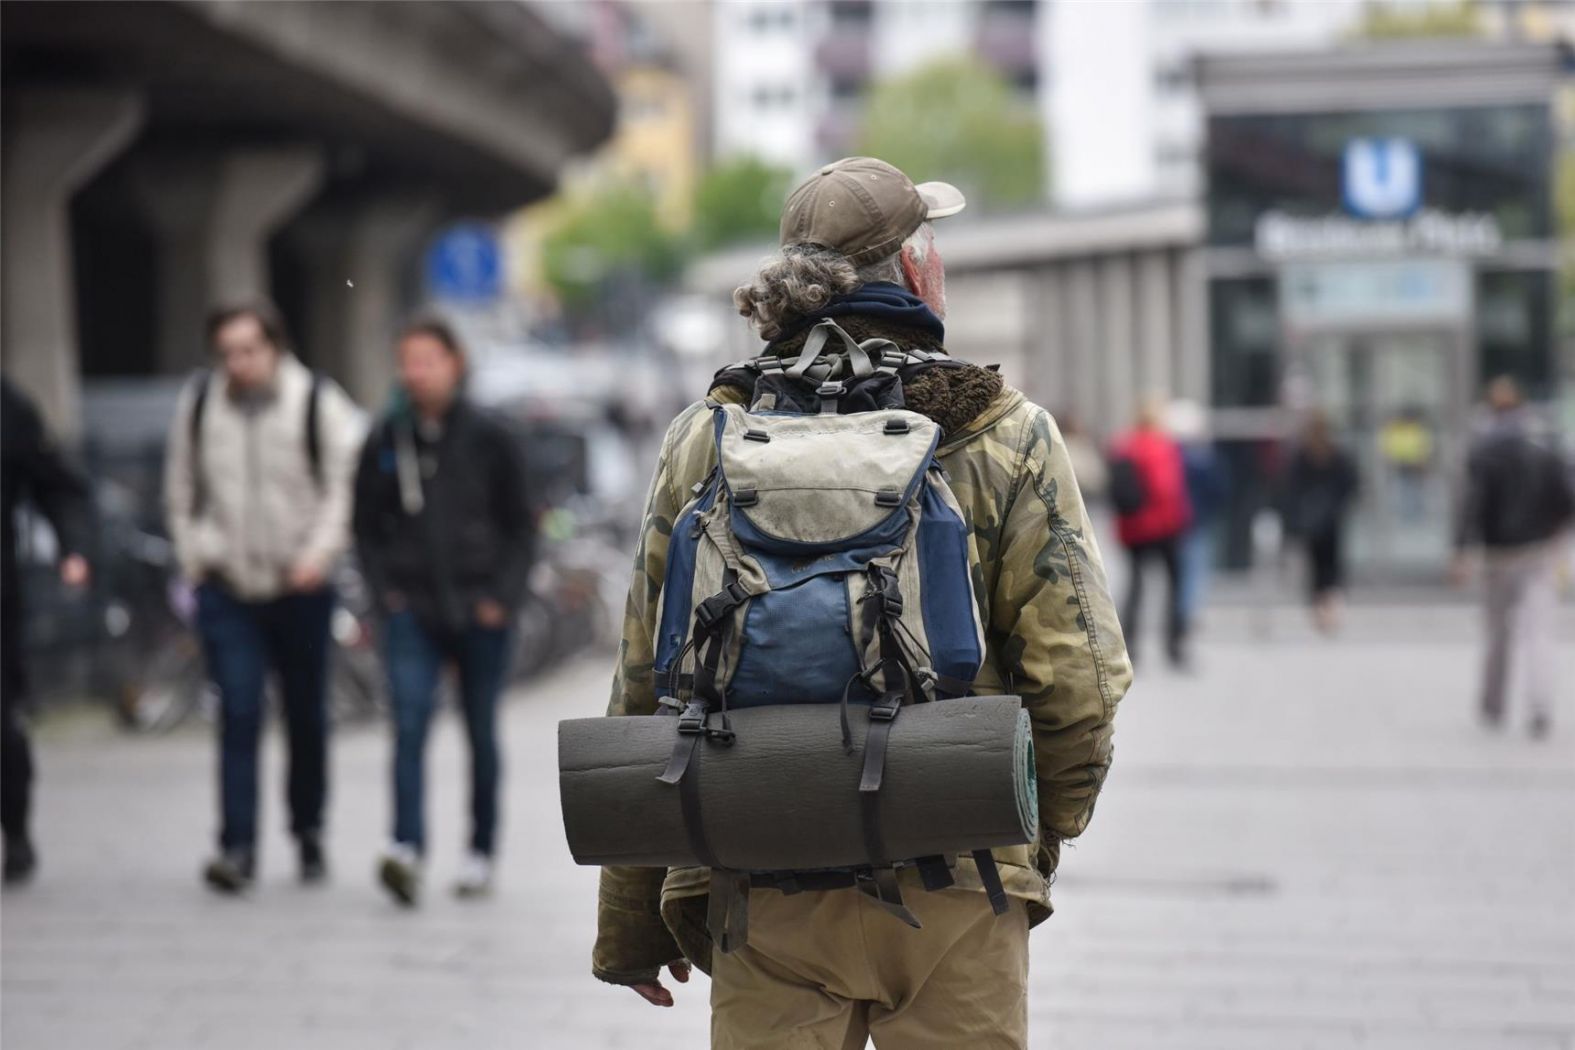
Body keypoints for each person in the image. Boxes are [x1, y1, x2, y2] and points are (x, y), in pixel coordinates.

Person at [592, 157, 1133, 1049]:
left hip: (759, 867)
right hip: (960, 864)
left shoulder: (712, 432)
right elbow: (1078, 676)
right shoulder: (998, 428)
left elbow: (646, 674)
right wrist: (1033, 834)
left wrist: (633, 919)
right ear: (914, 267)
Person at [163, 303, 363, 893]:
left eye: (248, 350)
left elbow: (341, 489)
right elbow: (180, 489)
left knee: (305, 715)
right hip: (228, 588)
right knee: (238, 710)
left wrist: (318, 555)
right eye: (226, 352)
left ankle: (307, 831)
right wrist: (196, 555)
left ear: (274, 346)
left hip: (300, 587)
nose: (237, 364)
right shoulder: (200, 404)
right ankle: (238, 846)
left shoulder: (315, 400)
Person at [353, 317, 535, 905]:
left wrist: (501, 600)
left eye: (427, 360)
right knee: (407, 725)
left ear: (454, 363)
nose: (416, 373)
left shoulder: (490, 436)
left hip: (480, 609)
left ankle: (480, 850)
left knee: (480, 732)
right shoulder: (388, 437)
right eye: (407, 361)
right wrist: (387, 597)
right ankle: (405, 846)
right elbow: (366, 527)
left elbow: (521, 526)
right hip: (413, 610)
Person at [1, 378, 93, 884]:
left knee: (3, 725)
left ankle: (14, 827)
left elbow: (56, 484)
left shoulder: (9, 406)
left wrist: (72, 547)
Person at [1452, 377, 1573, 739]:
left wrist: (1461, 550)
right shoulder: (1543, 448)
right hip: (1537, 553)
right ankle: (1539, 706)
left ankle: (1493, 703)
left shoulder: (1483, 451)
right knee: (1539, 632)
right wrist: (1554, 535)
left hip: (1498, 556)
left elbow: (1470, 505)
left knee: (1497, 633)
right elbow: (1567, 500)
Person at [1109, 398, 1192, 667]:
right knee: (1175, 584)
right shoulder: (1161, 446)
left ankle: (1129, 645)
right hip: (1163, 526)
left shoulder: (1124, 445)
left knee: (1135, 586)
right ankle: (1174, 644)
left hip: (1133, 529)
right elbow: (1166, 488)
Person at [1281, 411, 1359, 635]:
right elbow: (1350, 485)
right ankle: (1330, 609)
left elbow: (1291, 489)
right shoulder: (1335, 455)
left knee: (1317, 568)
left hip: (1314, 521)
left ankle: (1321, 610)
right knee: (1332, 566)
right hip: (1330, 520)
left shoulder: (1304, 456)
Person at [1168, 399, 1230, 631]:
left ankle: (1181, 612)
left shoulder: (1174, 457)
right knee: (1194, 569)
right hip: (1196, 520)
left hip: (1177, 521)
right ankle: (1186, 612)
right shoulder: (1202, 458)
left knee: (1185, 570)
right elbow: (1219, 487)